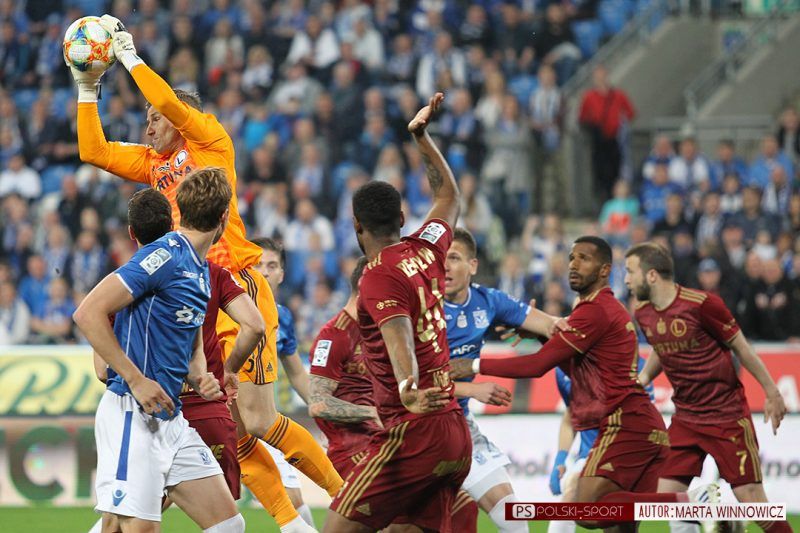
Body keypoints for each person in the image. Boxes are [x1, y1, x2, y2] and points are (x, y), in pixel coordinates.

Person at [70, 16, 340, 532]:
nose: (149, 127)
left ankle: (344, 497)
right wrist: (87, 89)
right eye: (147, 119)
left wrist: (130, 57)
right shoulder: (154, 164)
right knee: (212, 422)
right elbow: (93, 151)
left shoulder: (210, 143)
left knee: (255, 419)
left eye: (156, 118)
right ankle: (291, 523)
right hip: (184, 293)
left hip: (232, 284)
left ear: (183, 118)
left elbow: (171, 103)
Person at [453, 236, 718, 531]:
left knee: (586, 509)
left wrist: (473, 365)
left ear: (605, 270)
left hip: (623, 424)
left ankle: (691, 502)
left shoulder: (596, 311)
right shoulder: (600, 310)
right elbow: (577, 368)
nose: (574, 265)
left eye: (584, 258)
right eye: (571, 258)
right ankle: (690, 503)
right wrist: (540, 335)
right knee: (620, 525)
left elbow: (537, 365)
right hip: (645, 426)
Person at [324, 93, 472, 532]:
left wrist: (408, 388)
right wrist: (421, 137)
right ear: (403, 218)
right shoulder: (427, 247)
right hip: (453, 428)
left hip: (413, 431)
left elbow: (398, 332)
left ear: (356, 225)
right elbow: (449, 195)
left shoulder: (376, 275)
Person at [73, 169, 244, 532]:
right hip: (132, 413)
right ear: (224, 216)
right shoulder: (163, 256)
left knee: (229, 525)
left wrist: (200, 376)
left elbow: (191, 338)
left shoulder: (200, 269)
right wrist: (136, 380)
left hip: (170, 417)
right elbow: (88, 313)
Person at [625, 242, 791, 533]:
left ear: (651, 275)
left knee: (754, 503)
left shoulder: (702, 304)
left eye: (630, 271)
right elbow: (661, 348)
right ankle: (715, 512)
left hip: (726, 416)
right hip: (686, 419)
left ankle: (726, 516)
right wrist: (642, 380)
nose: (626, 280)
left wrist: (772, 392)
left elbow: (742, 347)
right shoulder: (643, 314)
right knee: (664, 498)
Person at [444, 227, 559, 533]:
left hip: (459, 427)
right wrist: (471, 388)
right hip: (416, 429)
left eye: (453, 258)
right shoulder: (422, 310)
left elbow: (552, 327)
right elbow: (410, 383)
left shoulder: (488, 300)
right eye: (439, 258)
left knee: (514, 521)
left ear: (473, 265)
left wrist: (593, 323)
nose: (444, 266)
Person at [252, 237, 316, 528]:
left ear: (281, 274)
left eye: (272, 265)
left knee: (294, 501)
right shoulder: (224, 307)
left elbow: (297, 375)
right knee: (165, 496)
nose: (264, 272)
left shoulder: (283, 317)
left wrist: (322, 408)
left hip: (263, 425)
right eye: (257, 264)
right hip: (219, 422)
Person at [308, 256, 383, 476]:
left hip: (381, 440)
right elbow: (318, 404)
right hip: (354, 451)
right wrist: (373, 413)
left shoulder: (378, 330)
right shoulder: (333, 336)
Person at [579, 65, 636, 203]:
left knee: (617, 172)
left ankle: (616, 199)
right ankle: (603, 201)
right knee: (600, 175)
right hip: (598, 141)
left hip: (615, 140)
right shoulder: (589, 96)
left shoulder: (618, 95)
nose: (601, 80)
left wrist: (619, 122)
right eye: (598, 77)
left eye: (603, 76)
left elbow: (630, 113)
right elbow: (582, 117)